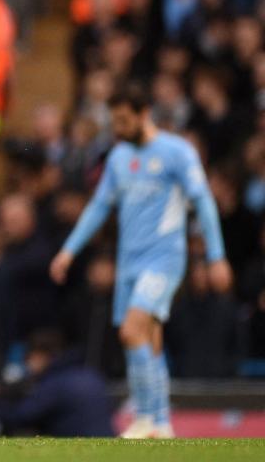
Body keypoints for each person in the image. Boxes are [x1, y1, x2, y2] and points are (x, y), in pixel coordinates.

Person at [49, 85, 233, 438]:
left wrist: (217, 256)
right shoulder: (119, 157)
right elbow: (99, 206)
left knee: (131, 330)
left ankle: (148, 416)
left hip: (164, 258)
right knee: (148, 339)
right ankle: (160, 423)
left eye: (123, 121)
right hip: (128, 263)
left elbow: (204, 202)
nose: (117, 129)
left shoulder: (177, 152)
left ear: (144, 114)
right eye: (113, 121)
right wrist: (69, 250)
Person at [0, 329, 115, 437]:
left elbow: (21, 417)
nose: (28, 364)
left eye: (30, 357)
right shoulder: (89, 373)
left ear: (41, 355)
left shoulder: (56, 383)